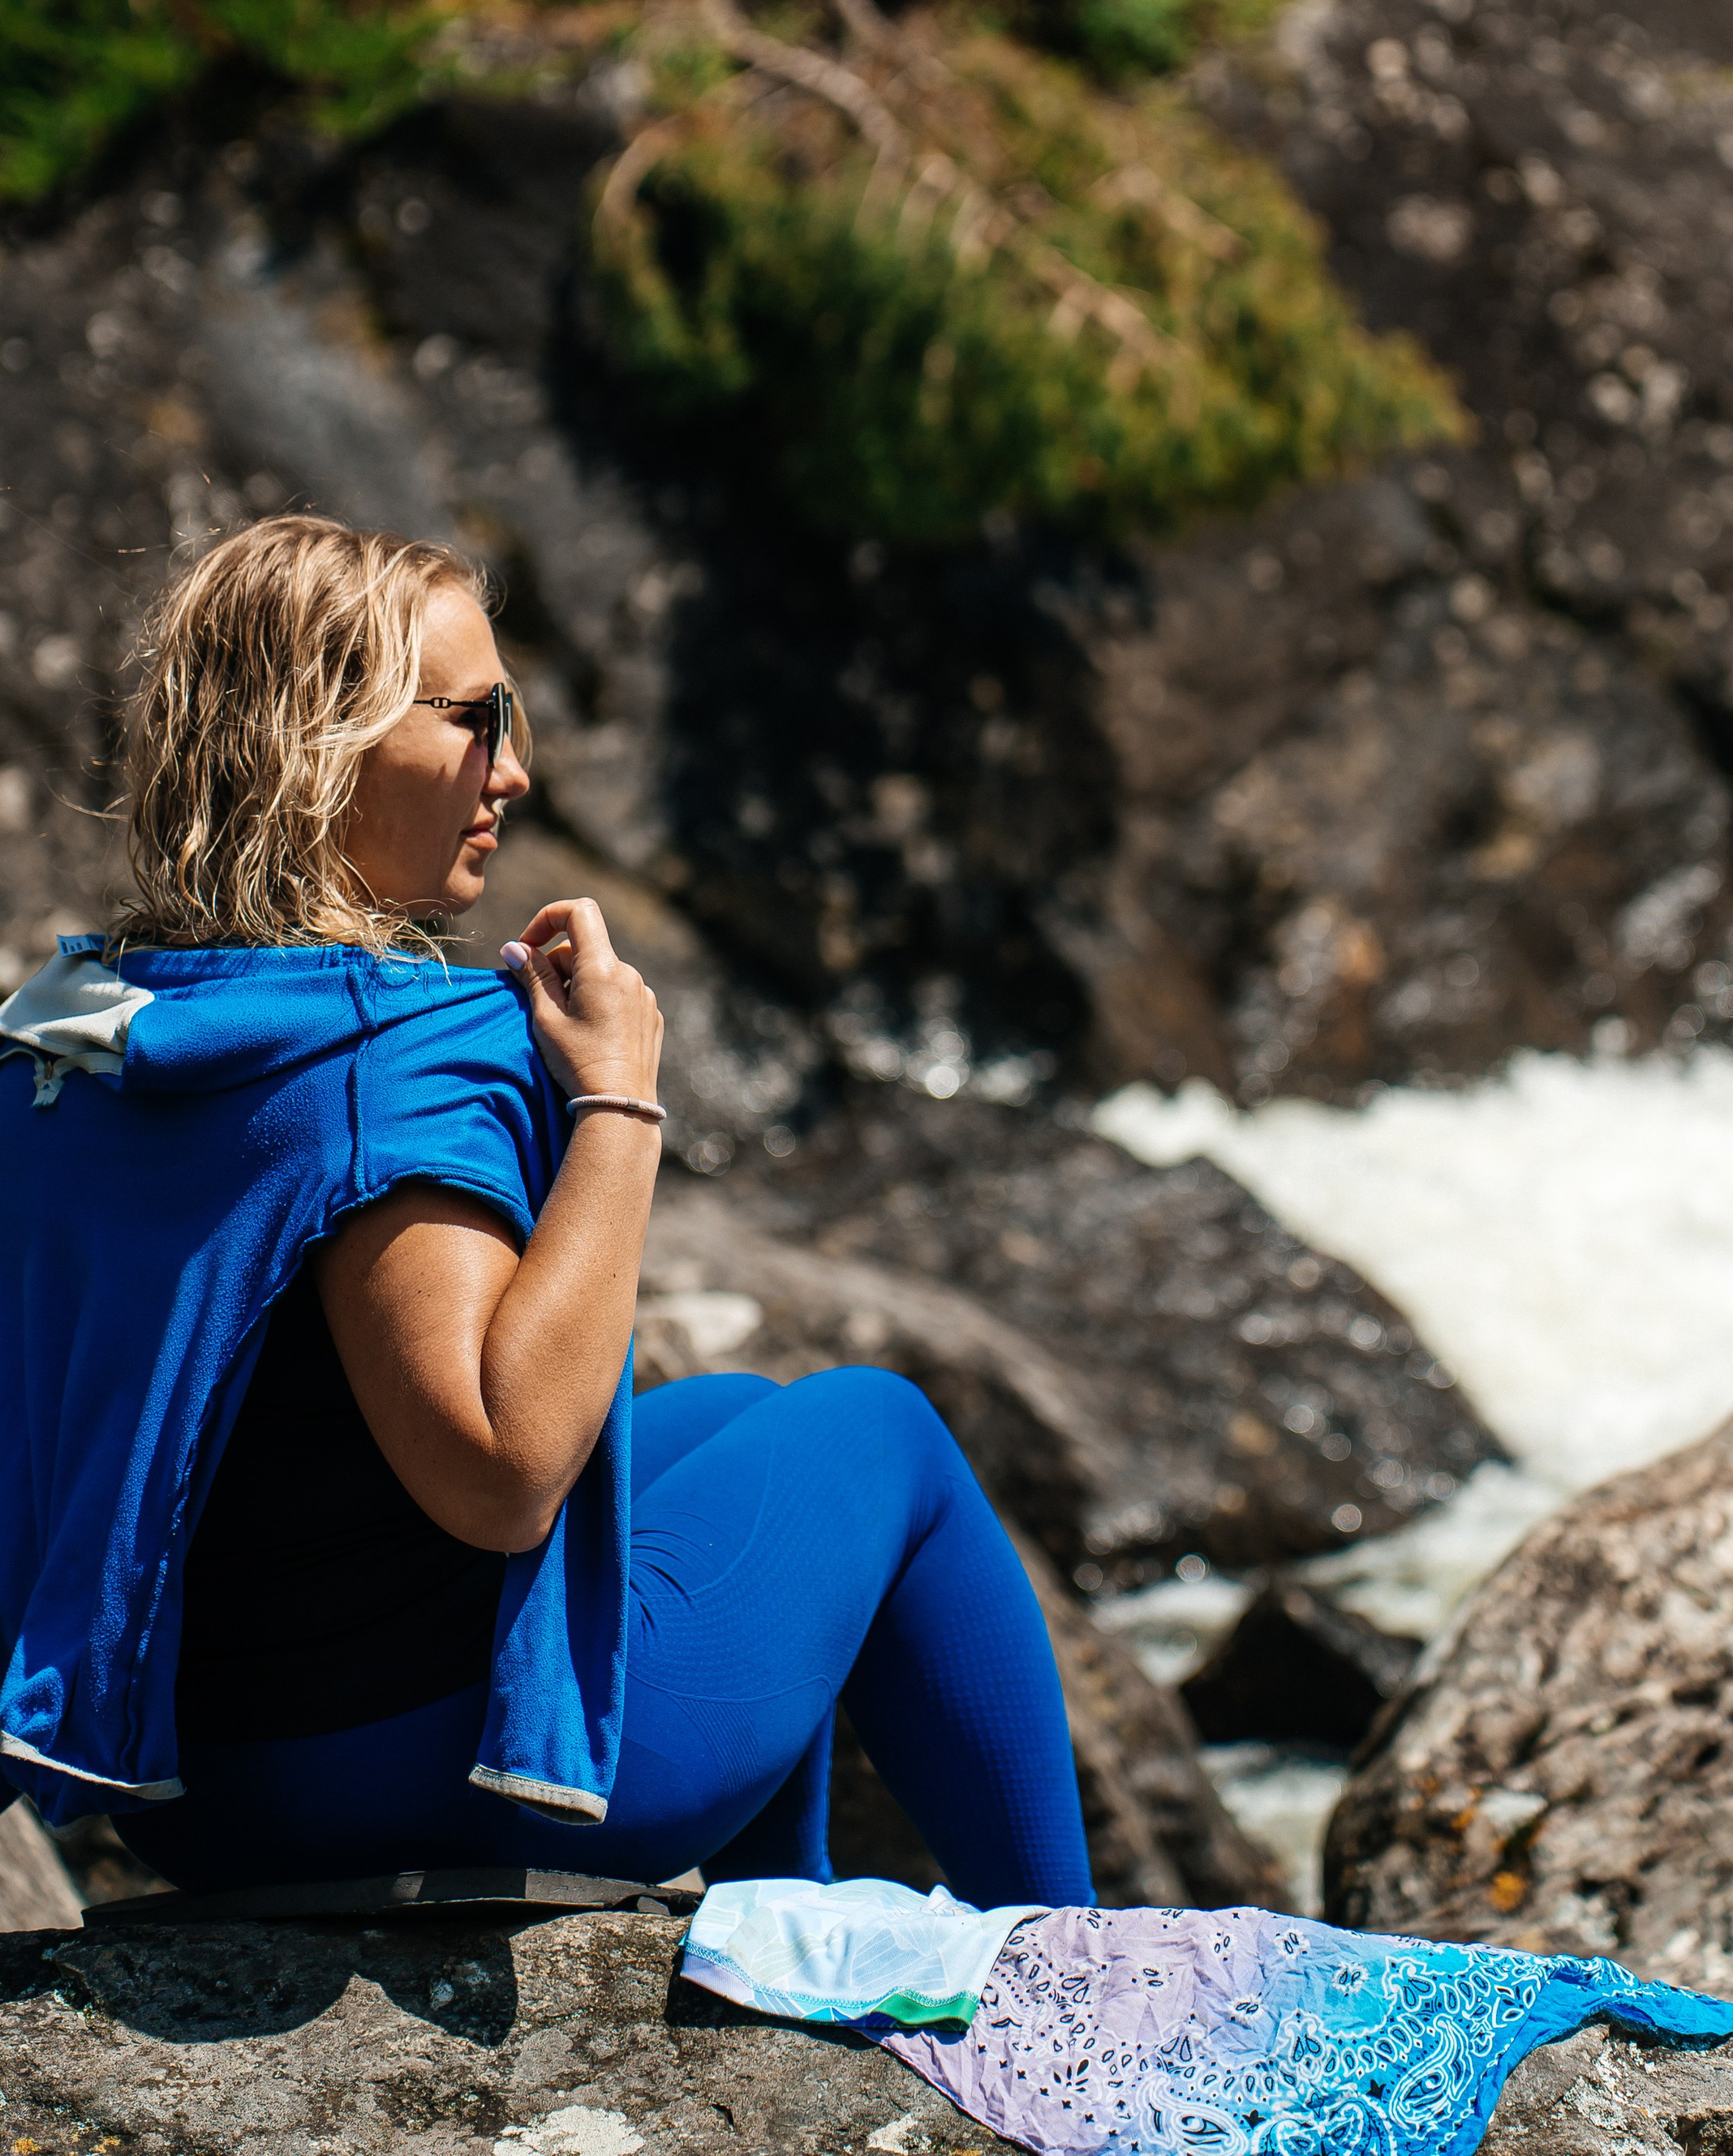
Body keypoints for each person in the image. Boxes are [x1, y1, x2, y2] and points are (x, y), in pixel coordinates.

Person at [0, 514, 1093, 1904]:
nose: (512, 769)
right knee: (886, 1431)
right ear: (318, 748)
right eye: (474, 719)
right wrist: (618, 1105)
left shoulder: (78, 1041)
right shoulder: (380, 1057)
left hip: (190, 1788)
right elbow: (504, 1476)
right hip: (421, 1769)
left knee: (735, 1413)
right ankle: (1084, 1970)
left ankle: (783, 1929)